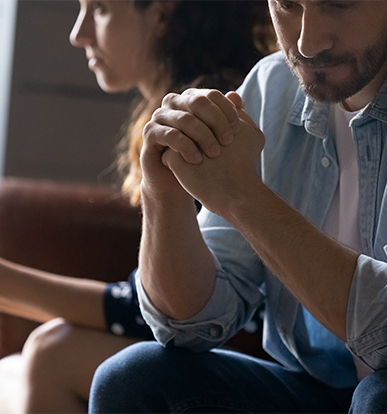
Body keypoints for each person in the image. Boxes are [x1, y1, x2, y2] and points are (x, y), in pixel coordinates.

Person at [88, 0, 387, 412]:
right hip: (324, 389)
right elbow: (186, 324)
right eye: (288, 5)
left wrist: (244, 197)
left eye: (339, 4)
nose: (307, 43)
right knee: (134, 377)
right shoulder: (273, 86)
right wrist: (162, 192)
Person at [0, 1, 275, 412]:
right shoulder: (175, 112)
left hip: (252, 352)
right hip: (213, 342)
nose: (79, 33)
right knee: (12, 371)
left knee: (52, 352)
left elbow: (154, 311)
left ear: (162, 15)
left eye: (102, 9)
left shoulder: (210, 121)